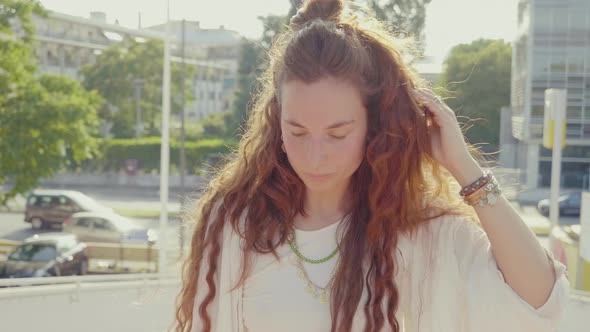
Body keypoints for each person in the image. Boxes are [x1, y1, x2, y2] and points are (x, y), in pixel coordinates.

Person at [173, 1, 569, 331]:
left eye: (337, 134)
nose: (315, 156)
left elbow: (540, 300)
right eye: (297, 131)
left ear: (372, 127)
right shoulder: (239, 223)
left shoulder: (421, 232)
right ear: (277, 124)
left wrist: (463, 165)